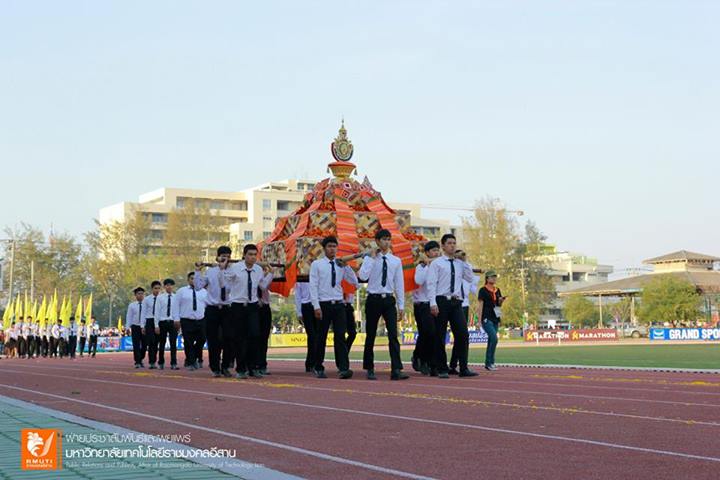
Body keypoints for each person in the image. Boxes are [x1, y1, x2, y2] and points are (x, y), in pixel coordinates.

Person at [357, 229, 407, 380]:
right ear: (377, 241)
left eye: (388, 239)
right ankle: (369, 367)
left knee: (393, 334)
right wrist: (371, 259)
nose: (387, 242)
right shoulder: (370, 258)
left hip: (388, 299)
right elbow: (362, 276)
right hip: (373, 299)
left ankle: (396, 369)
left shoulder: (396, 261)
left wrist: (401, 305)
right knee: (371, 334)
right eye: (384, 239)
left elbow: (399, 284)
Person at [426, 233, 478, 378]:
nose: (452, 245)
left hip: (456, 301)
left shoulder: (460, 264)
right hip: (441, 300)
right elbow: (431, 284)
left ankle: (463, 367)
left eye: (454, 243)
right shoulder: (437, 263)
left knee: (463, 334)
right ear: (442, 245)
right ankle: (442, 368)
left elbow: (469, 278)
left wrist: (465, 261)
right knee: (440, 336)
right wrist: (432, 303)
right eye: (449, 243)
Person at [308, 236, 358, 379]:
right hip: (323, 304)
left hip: (338, 304)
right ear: (324, 249)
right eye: (329, 246)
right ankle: (318, 366)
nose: (332, 249)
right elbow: (313, 286)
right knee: (321, 337)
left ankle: (343, 368)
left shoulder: (340, 264)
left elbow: (354, 282)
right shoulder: (317, 264)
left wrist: (346, 266)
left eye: (334, 246)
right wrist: (316, 306)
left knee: (340, 336)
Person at [221, 244, 274, 379]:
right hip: (238, 306)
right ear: (244, 255)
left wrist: (271, 274)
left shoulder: (258, 269)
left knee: (255, 336)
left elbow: (262, 286)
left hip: (252, 306)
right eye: (249, 254)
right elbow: (225, 284)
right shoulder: (236, 268)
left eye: (254, 255)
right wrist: (223, 271)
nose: (252, 257)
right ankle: (241, 368)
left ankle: (253, 367)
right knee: (240, 338)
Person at [194, 246, 234, 378]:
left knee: (228, 338)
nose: (225, 259)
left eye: (228, 256)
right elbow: (199, 286)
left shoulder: (234, 271)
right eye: (223, 256)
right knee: (213, 339)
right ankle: (215, 367)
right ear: (217, 257)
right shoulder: (210, 271)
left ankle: (226, 366)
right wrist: (197, 271)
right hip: (212, 309)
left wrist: (223, 271)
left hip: (227, 308)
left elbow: (227, 289)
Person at [411, 241, 440, 376]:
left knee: (433, 334)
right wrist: (428, 266)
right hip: (422, 304)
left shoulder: (440, 266)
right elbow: (419, 281)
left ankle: (427, 360)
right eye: (433, 251)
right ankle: (420, 358)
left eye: (437, 251)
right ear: (427, 253)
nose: (436, 253)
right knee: (427, 332)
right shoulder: (421, 267)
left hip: (435, 303)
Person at [449, 250, 480, 375]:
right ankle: (447, 365)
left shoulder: (467, 269)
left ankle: (456, 365)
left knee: (461, 337)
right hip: (453, 303)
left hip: (464, 304)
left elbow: (473, 288)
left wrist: (465, 262)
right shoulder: (452, 269)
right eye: (458, 256)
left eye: (463, 256)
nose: (461, 258)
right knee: (459, 336)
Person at [176, 272, 208, 370]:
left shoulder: (204, 292)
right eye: (192, 278)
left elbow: (208, 306)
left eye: (196, 279)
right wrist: (176, 319)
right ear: (188, 280)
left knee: (202, 339)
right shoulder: (181, 291)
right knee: (188, 342)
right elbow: (176, 305)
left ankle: (193, 356)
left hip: (201, 319)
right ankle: (191, 362)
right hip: (186, 320)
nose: (194, 280)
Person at [478, 270, 505, 371]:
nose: (494, 278)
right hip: (486, 317)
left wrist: (501, 301)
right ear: (487, 278)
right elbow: (480, 305)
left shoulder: (497, 290)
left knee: (491, 340)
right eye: (492, 277)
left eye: (495, 277)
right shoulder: (483, 290)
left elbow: (498, 305)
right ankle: (490, 362)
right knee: (494, 338)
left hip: (495, 317)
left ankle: (489, 363)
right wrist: (479, 320)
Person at [156, 278, 180, 370]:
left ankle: (173, 363)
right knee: (161, 343)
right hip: (163, 322)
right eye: (167, 285)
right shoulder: (160, 297)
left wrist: (178, 322)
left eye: (171, 285)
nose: (169, 287)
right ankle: (161, 362)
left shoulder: (176, 297)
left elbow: (178, 311)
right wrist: (156, 325)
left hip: (173, 322)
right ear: (164, 286)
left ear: (173, 286)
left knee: (173, 343)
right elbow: (157, 312)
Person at [294, 282, 315, 372]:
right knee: (312, 335)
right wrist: (299, 312)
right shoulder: (300, 278)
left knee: (318, 336)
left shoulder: (318, 273)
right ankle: (310, 363)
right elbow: (297, 295)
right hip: (306, 306)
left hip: (318, 305)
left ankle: (316, 362)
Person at [142, 280, 162, 369]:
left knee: (157, 342)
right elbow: (143, 313)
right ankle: (152, 362)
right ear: (152, 289)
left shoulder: (162, 299)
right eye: (155, 288)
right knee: (151, 342)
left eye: (158, 288)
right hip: (150, 321)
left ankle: (158, 361)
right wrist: (143, 326)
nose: (157, 290)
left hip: (159, 321)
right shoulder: (147, 299)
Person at [256, 280, 274, 375]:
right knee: (254, 336)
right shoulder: (251, 273)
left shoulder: (266, 274)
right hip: (253, 306)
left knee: (264, 338)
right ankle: (253, 364)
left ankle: (262, 364)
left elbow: (265, 286)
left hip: (265, 307)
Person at [126, 286, 146, 368]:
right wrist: (127, 327)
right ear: (135, 295)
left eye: (142, 294)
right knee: (136, 345)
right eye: (139, 294)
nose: (141, 295)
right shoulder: (132, 305)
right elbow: (129, 316)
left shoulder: (146, 304)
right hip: (135, 327)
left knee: (144, 345)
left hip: (144, 327)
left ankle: (141, 358)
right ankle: (137, 361)